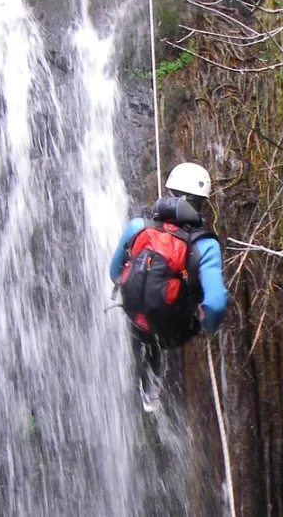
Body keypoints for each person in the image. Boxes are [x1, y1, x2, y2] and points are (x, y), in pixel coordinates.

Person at [109, 162, 228, 412]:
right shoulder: (205, 246)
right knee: (164, 329)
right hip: (174, 331)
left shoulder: (138, 227)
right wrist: (208, 325)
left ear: (169, 193)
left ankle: (143, 377)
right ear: (200, 203)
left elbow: (114, 273)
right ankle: (152, 385)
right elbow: (216, 303)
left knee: (144, 327)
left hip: (133, 316)